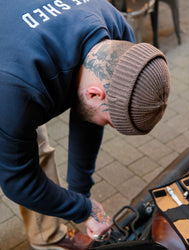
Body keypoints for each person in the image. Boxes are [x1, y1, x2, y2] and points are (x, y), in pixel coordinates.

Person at [0, 0, 170, 249]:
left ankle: (48, 237)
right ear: (94, 94)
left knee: (35, 147)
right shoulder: (17, 90)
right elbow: (19, 182)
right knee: (18, 155)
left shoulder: (118, 35)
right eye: (109, 122)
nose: (106, 125)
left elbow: (88, 117)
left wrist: (81, 196)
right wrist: (85, 209)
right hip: (11, 75)